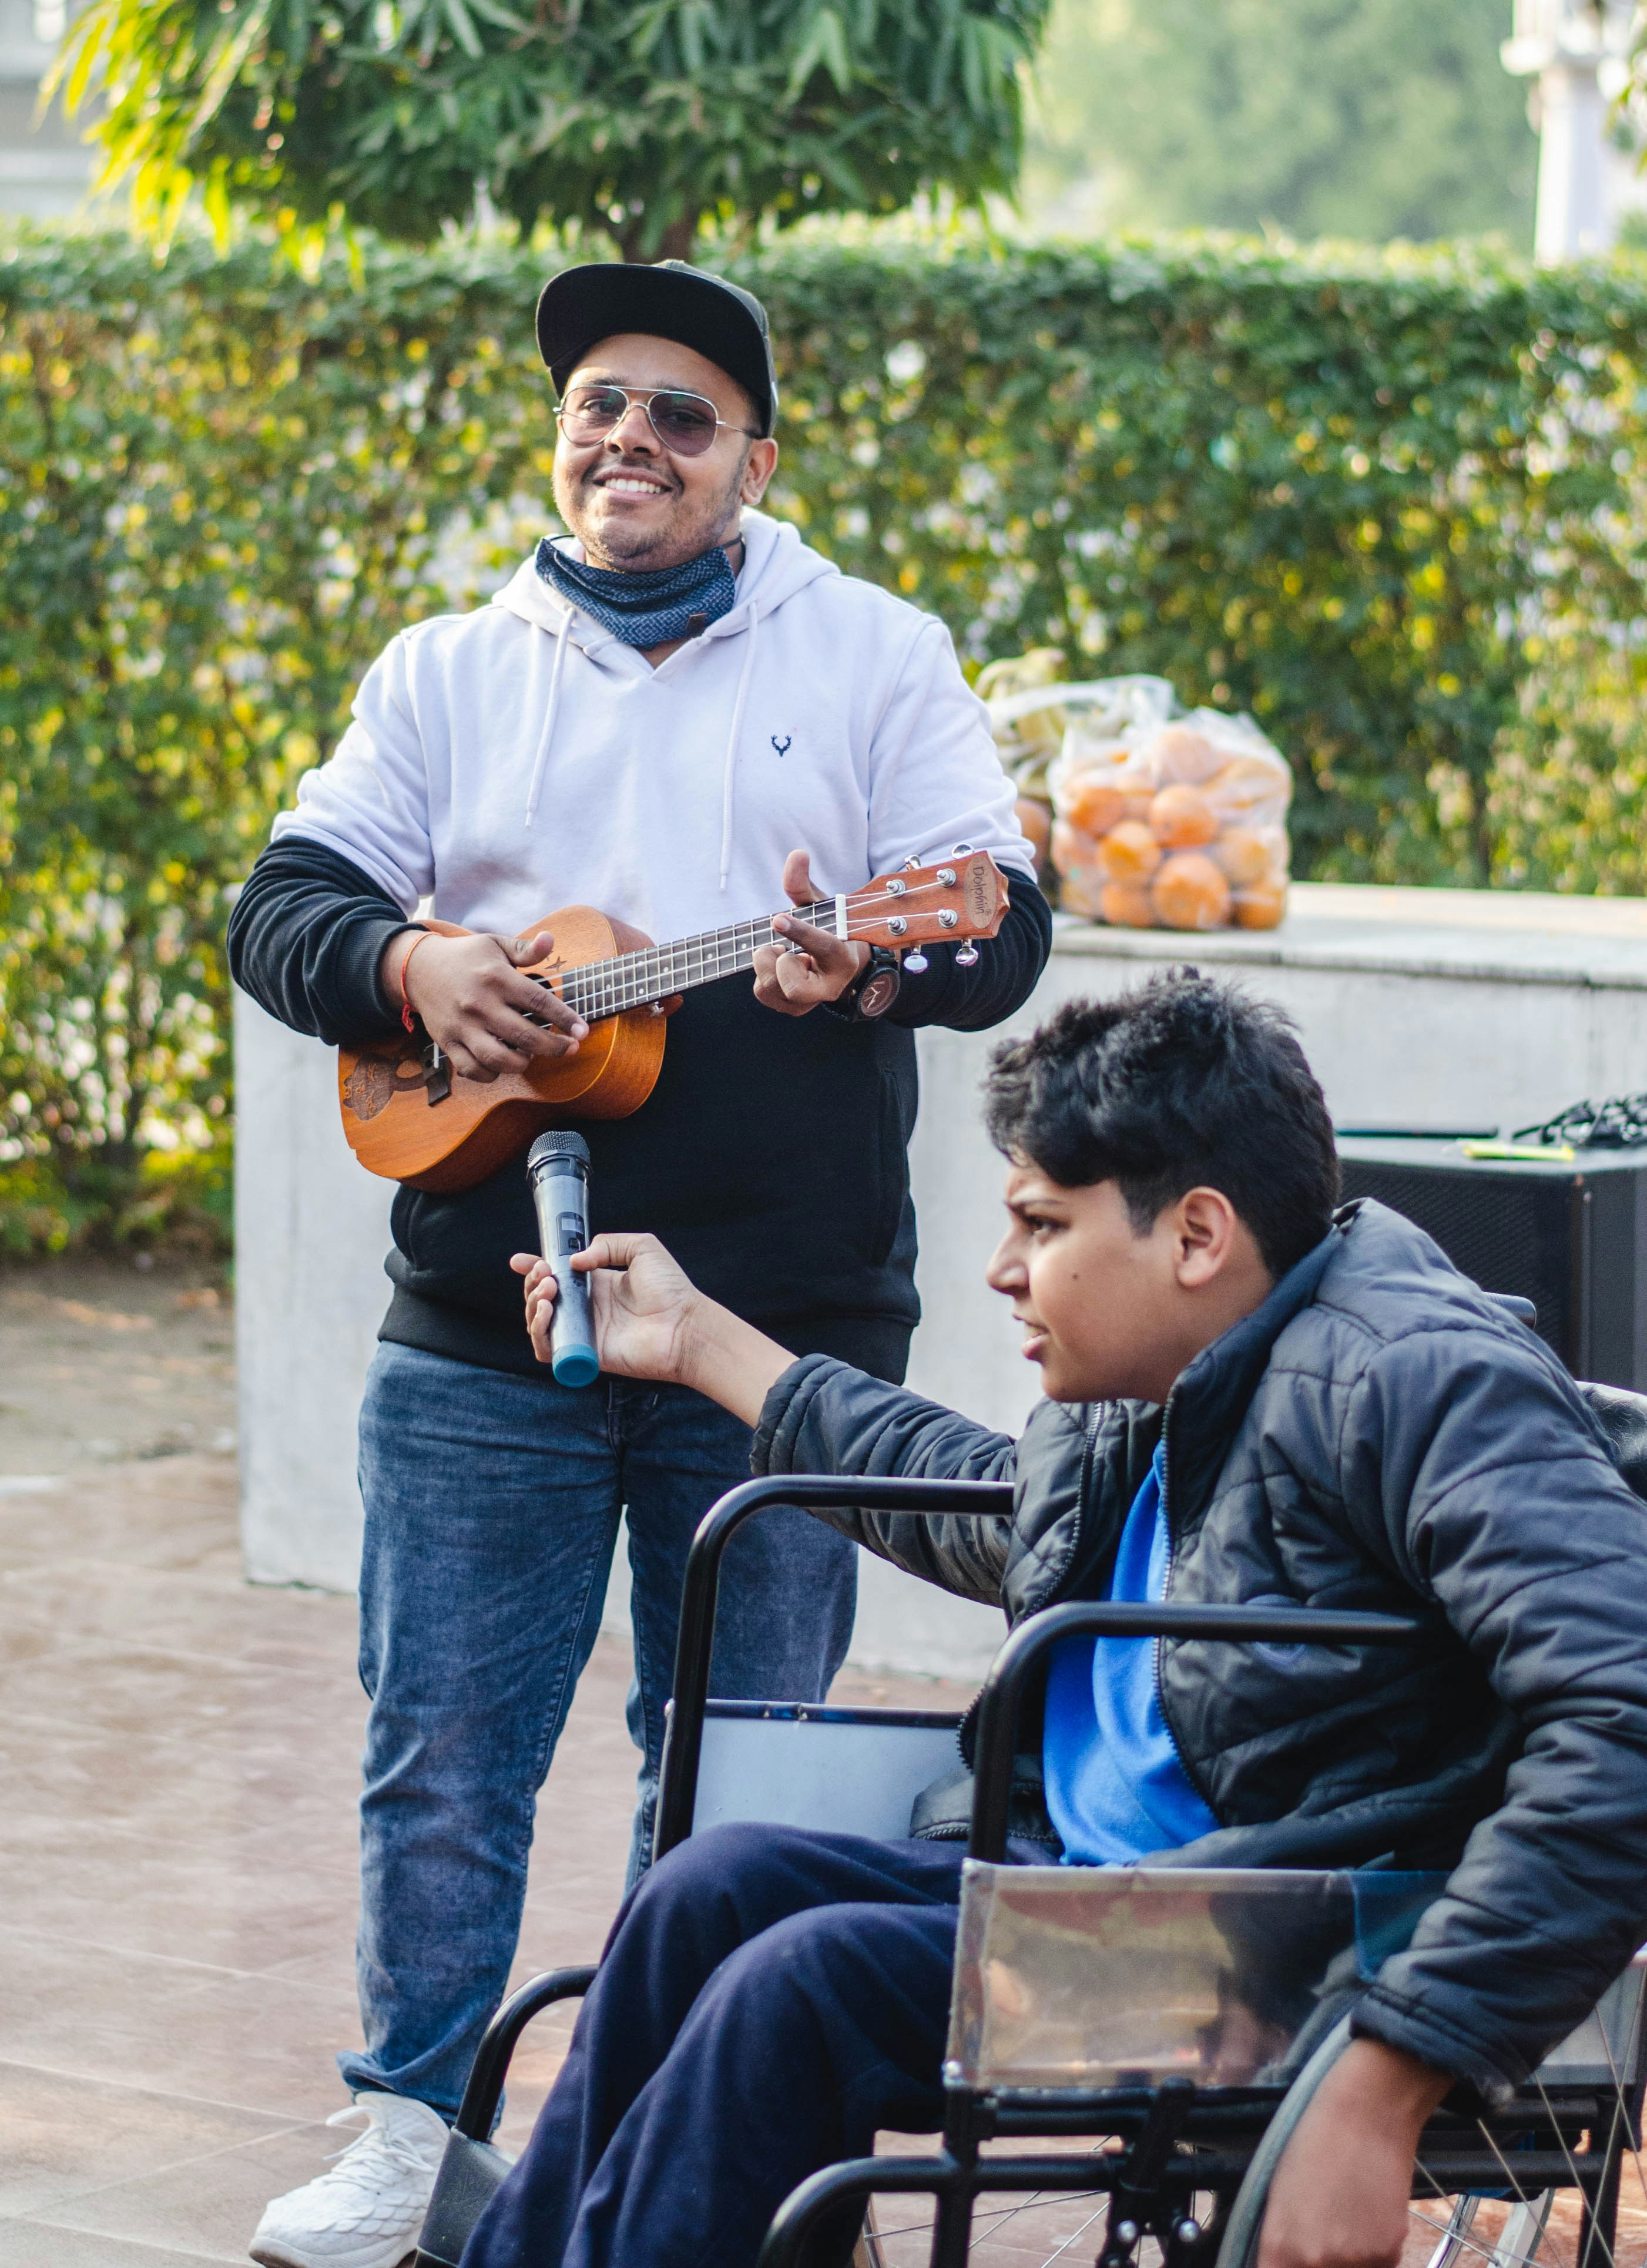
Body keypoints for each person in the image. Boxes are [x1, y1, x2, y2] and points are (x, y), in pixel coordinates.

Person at [229, 257, 1049, 2267]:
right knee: (439, 1748)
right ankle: (413, 2134)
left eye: (683, 415)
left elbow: (1002, 918)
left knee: (736, 1772)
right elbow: (284, 906)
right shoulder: (447, 670)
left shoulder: (866, 653)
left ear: (753, 463)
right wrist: (415, 959)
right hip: (477, 1322)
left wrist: (877, 955)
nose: (633, 440)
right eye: (602, 402)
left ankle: (716, 2140)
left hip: (769, 1335)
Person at [477, 970, 1647, 2268]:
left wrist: (1390, 2068)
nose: (999, 1269)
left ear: (1194, 1236)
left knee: (791, 1989)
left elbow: (1623, 1714)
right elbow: (993, 1512)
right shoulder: (1168, 1366)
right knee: (706, 1887)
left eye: (1039, 1223)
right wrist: (697, 1342)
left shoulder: (1416, 1377)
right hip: (1086, 1887)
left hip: (1266, 1948)